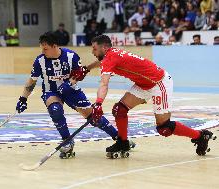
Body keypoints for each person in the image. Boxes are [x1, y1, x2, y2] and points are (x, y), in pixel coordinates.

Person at [72, 34, 216, 157]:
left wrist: (98, 103)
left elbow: (104, 84)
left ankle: (200, 136)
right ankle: (123, 142)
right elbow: (102, 62)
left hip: (159, 83)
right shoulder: (112, 54)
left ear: (104, 48)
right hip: (144, 84)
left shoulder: (110, 57)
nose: (92, 51)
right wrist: (87, 68)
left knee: (164, 128)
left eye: (94, 48)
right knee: (119, 110)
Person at [15, 32, 122, 159]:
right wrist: (23, 98)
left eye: (45, 49)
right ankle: (67, 141)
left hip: (71, 90)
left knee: (93, 117)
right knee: (55, 110)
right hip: (52, 91)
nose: (43, 52)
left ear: (54, 46)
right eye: (42, 49)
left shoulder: (71, 56)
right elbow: (32, 80)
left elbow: (80, 74)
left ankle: (120, 138)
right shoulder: (40, 61)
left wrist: (70, 83)